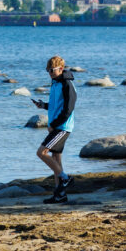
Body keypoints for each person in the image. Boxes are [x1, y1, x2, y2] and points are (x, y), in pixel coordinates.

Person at [32, 55, 77, 203]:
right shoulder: (55, 83)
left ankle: (65, 178)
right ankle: (60, 195)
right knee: (56, 158)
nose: (49, 73)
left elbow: (68, 109)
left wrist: (54, 124)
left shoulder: (67, 85)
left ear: (61, 69)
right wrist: (43, 105)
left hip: (62, 127)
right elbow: (56, 105)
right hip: (57, 126)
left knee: (41, 152)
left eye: (52, 70)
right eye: (47, 71)